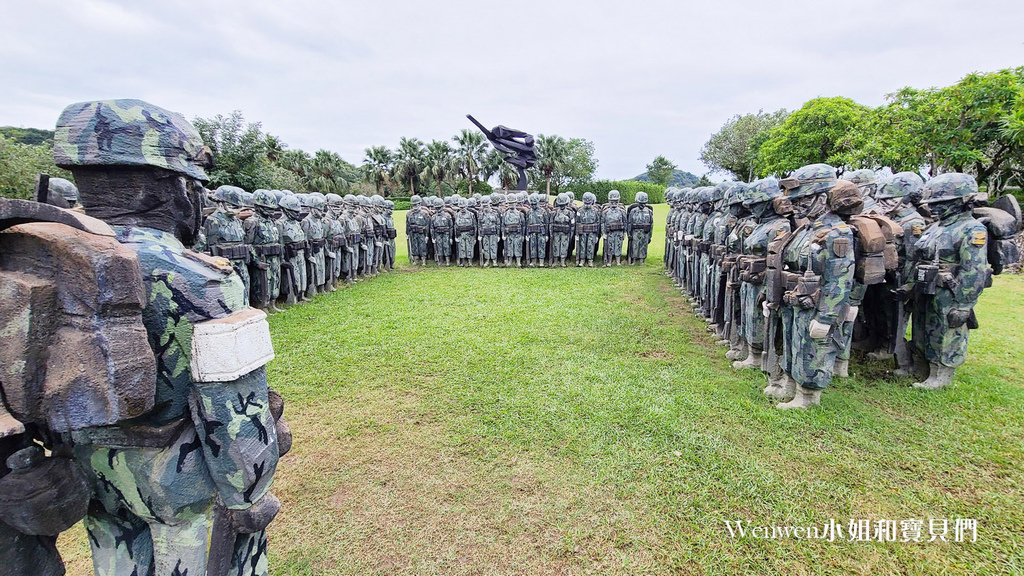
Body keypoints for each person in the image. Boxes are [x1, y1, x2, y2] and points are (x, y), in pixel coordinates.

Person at [53, 98, 284, 575]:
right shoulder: (200, 279)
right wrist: (251, 494)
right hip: (182, 482)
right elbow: (233, 410)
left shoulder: (43, 258)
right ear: (169, 188)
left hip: (92, 474)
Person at [903, 173, 991, 389]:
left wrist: (964, 304)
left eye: (941, 203)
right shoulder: (936, 226)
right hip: (927, 287)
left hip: (949, 291)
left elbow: (974, 270)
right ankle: (921, 367)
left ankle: (941, 374)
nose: (934, 208)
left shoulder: (972, 229)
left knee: (947, 331)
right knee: (923, 328)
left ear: (960, 201)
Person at [246, 189, 284, 310]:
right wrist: (255, 261)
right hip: (261, 257)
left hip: (274, 256)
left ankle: (272, 303)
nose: (271, 211)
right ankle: (262, 306)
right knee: (261, 284)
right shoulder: (252, 222)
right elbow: (248, 244)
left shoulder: (271, 222)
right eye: (268, 208)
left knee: (275, 281)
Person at [626, 191, 655, 265]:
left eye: (644, 203)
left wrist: (650, 236)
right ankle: (634, 260)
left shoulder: (648, 211)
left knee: (643, 246)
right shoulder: (633, 211)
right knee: (634, 246)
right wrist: (629, 233)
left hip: (645, 232)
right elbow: (629, 223)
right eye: (640, 203)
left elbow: (651, 224)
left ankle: (642, 261)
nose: (642, 205)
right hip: (635, 231)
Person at [602, 189, 628, 266]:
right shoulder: (605, 212)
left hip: (619, 232)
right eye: (612, 201)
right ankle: (609, 261)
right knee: (610, 246)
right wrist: (603, 232)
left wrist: (625, 232)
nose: (614, 203)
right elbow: (602, 222)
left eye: (616, 201)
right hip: (610, 232)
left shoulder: (622, 211)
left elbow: (625, 222)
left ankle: (618, 261)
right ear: (609, 201)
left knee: (618, 246)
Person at [575, 192, 602, 267]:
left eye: (589, 203)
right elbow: (577, 222)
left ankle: (590, 261)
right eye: (586, 203)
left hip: (592, 232)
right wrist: (577, 234)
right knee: (582, 246)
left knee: (590, 246)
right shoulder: (579, 211)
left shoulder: (595, 211)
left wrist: (597, 235)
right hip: (582, 231)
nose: (587, 205)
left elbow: (598, 223)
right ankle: (582, 260)